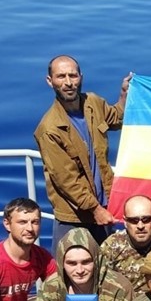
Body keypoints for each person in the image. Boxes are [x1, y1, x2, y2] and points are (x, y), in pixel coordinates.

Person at [34, 54, 131, 250]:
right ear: (50, 81)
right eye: (61, 76)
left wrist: (124, 95)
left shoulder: (93, 103)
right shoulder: (49, 129)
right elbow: (67, 180)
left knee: (105, 265)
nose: (68, 83)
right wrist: (95, 209)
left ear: (81, 77)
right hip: (75, 217)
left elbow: (116, 118)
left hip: (105, 208)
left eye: (73, 75)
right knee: (74, 265)